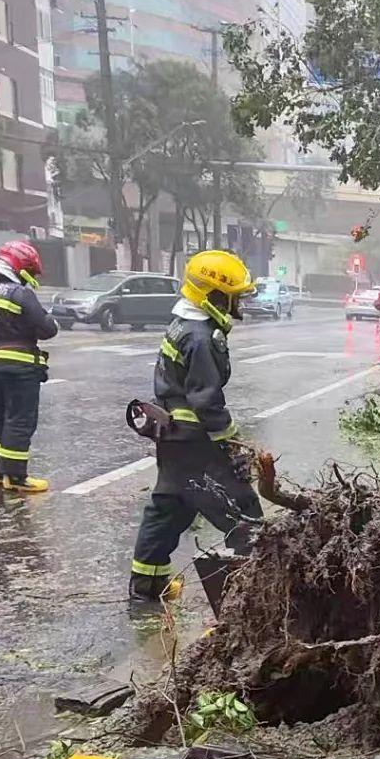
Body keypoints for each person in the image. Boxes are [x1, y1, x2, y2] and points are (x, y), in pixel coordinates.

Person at [129, 249, 262, 606]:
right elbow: (206, 400)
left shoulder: (182, 325)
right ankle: (244, 604)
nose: (239, 303)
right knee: (243, 512)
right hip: (195, 441)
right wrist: (232, 442)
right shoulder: (202, 337)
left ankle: (146, 588)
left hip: (172, 437)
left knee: (169, 509)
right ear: (215, 295)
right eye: (235, 296)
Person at [0, 240, 57, 494]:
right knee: (20, 418)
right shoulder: (19, 293)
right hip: (20, 367)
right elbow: (47, 329)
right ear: (21, 266)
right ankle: (14, 477)